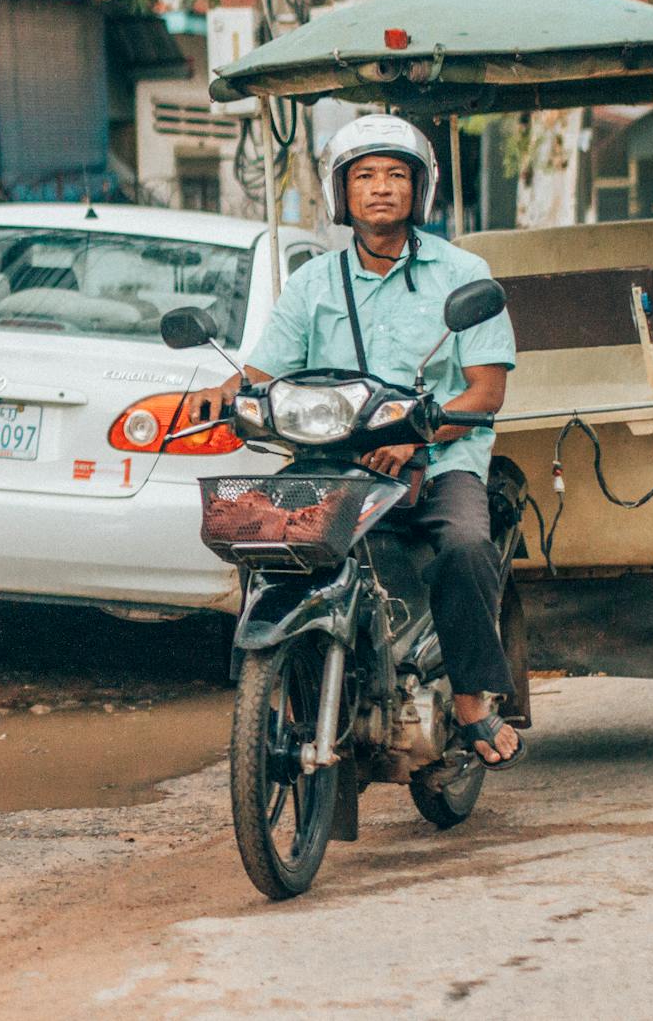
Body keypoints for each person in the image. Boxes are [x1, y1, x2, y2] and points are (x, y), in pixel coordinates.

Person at [186, 114, 524, 768]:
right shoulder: (314, 282)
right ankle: (289, 679)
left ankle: (473, 699)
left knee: (464, 542)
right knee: (261, 534)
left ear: (419, 190)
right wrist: (218, 394)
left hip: (439, 457)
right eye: (365, 175)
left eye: (396, 175)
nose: (381, 189)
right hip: (334, 461)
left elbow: (486, 392)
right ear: (341, 192)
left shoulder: (461, 271)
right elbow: (259, 373)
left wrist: (415, 438)